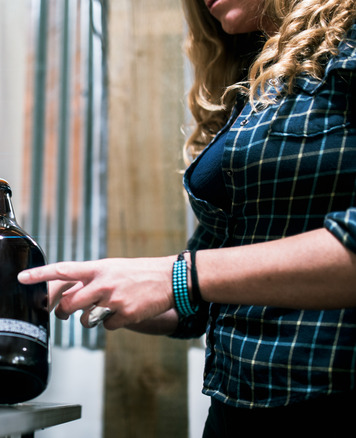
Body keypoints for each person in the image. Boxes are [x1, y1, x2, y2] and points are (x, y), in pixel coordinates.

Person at [18, 0, 356, 436]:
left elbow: (194, 277)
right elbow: (201, 297)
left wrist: (181, 275)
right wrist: (98, 286)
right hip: (239, 408)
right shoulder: (256, 83)